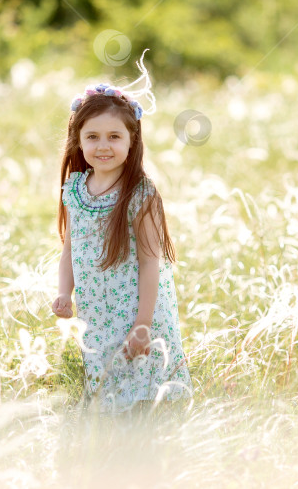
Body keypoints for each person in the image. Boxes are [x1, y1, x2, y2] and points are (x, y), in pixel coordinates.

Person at [51, 49, 193, 416]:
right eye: (93, 136)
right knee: (108, 399)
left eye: (114, 137)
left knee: (144, 395)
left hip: (136, 312)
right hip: (97, 314)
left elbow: (151, 264)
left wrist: (143, 324)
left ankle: (148, 451)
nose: (103, 146)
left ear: (132, 141)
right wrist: (63, 292)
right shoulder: (75, 189)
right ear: (78, 141)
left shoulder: (139, 195)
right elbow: (69, 249)